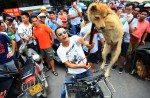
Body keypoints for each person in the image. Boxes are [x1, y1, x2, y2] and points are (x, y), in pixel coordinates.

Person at [56, 27, 94, 98]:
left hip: (86, 70)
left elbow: (81, 40)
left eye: (64, 32)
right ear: (58, 38)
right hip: (72, 74)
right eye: (60, 34)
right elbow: (68, 65)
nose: (63, 35)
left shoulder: (74, 38)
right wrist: (81, 66)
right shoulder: (59, 50)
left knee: (93, 87)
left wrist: (87, 44)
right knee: (64, 92)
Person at [112, 3, 137, 73]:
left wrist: (129, 22)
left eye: (130, 9)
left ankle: (121, 66)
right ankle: (114, 64)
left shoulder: (134, 19)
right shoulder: (121, 17)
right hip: (118, 38)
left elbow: (132, 31)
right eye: (127, 9)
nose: (128, 10)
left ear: (132, 10)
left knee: (123, 54)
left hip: (126, 40)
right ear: (125, 9)